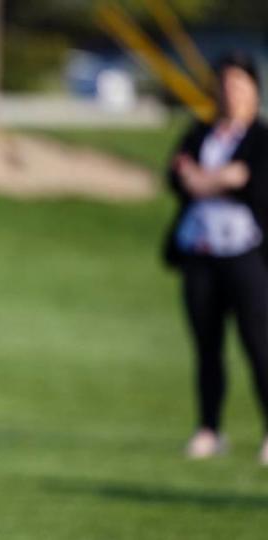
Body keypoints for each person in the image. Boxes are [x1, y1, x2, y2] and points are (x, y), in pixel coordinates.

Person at [164, 51, 268, 465]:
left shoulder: (260, 138)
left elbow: (254, 183)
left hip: (246, 254)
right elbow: (177, 175)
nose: (230, 92)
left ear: (254, 90)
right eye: (224, 84)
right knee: (207, 346)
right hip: (201, 252)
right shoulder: (201, 131)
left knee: (258, 344)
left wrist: (209, 179)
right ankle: (209, 428)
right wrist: (220, 178)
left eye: (239, 84)